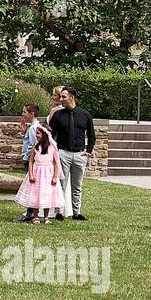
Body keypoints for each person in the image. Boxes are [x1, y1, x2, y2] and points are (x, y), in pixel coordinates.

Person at [48, 86, 94, 220]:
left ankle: (76, 212)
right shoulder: (57, 115)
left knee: (77, 185)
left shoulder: (85, 115)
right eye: (60, 96)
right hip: (63, 153)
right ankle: (60, 212)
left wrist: (88, 151)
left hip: (80, 155)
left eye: (63, 97)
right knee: (61, 183)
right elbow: (51, 134)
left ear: (72, 98)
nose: (60, 99)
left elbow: (91, 135)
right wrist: (54, 152)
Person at [15, 126, 63, 224]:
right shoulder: (35, 147)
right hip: (37, 174)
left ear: (44, 135)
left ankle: (46, 217)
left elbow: (56, 163)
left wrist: (55, 177)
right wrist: (31, 174)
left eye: (38, 133)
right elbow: (31, 161)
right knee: (36, 195)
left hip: (48, 174)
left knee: (47, 195)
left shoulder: (52, 148)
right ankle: (35, 216)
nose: (36, 135)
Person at [15, 103, 43, 223]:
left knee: (30, 187)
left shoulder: (33, 129)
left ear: (31, 114)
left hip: (30, 161)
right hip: (29, 159)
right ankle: (30, 212)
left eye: (24, 112)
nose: (22, 114)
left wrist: (29, 160)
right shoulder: (32, 127)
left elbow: (34, 146)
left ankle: (29, 213)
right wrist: (24, 132)